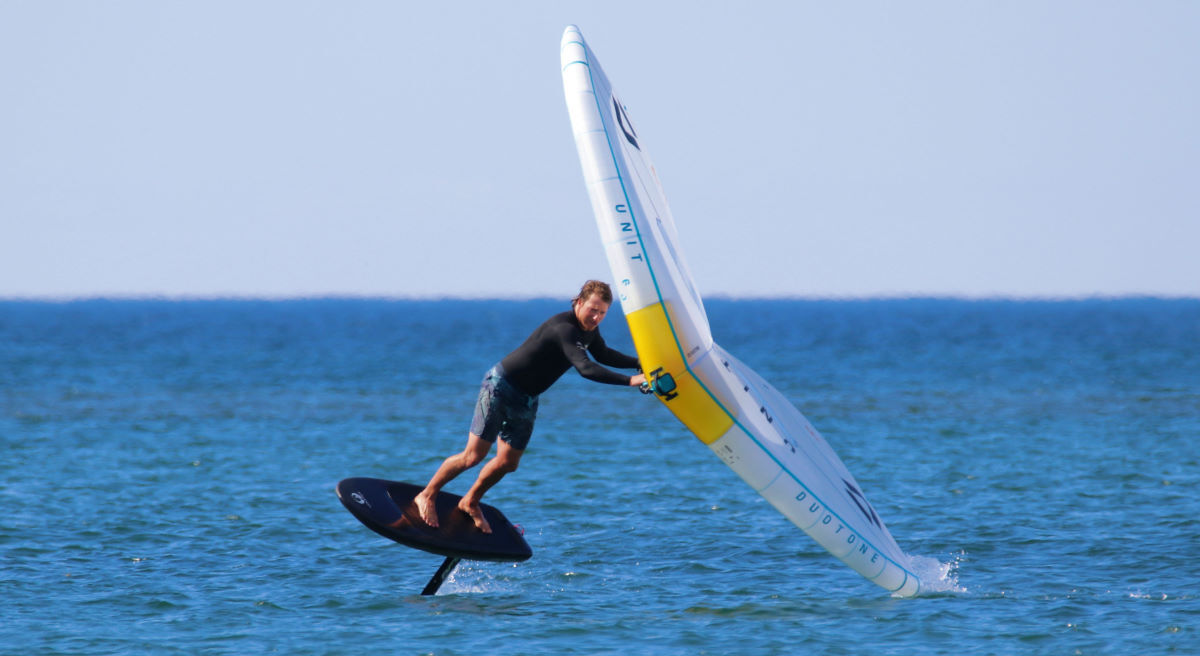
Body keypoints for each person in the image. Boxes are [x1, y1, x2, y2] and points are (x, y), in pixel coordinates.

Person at [413, 280, 646, 533]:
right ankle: (427, 494)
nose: (596, 317)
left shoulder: (589, 330)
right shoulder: (565, 328)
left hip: (526, 398)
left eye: (602, 312)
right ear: (579, 303)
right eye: (592, 309)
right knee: (473, 456)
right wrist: (631, 380)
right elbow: (585, 367)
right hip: (500, 387)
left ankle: (469, 502)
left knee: (508, 462)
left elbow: (603, 354)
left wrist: (639, 363)